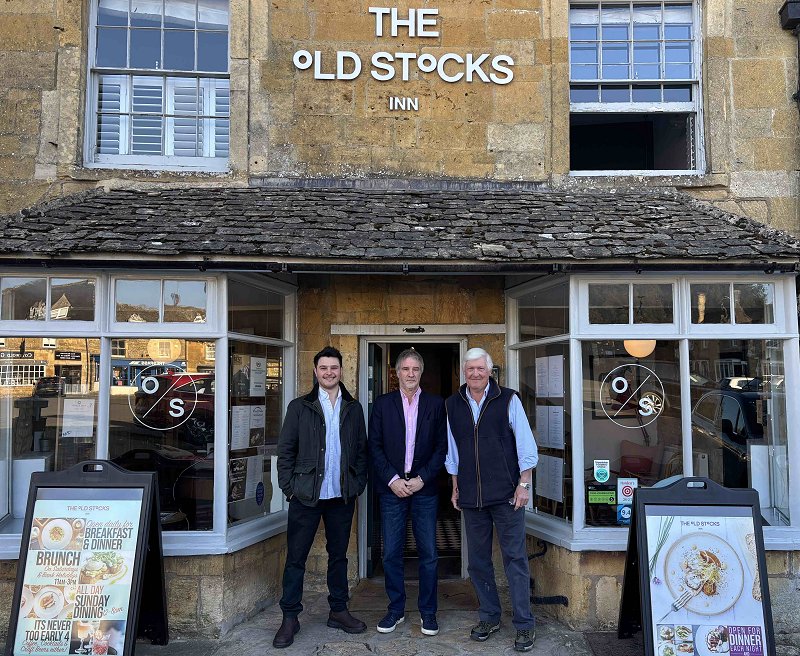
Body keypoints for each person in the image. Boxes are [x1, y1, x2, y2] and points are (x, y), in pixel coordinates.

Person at [273, 346, 368, 648]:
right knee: (296, 558)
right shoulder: (300, 407)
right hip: (306, 496)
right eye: (323, 368)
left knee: (338, 557)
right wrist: (289, 488)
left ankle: (338, 611)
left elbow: (362, 451)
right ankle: (290, 617)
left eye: (334, 368)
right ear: (315, 371)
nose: (329, 372)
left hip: (341, 496)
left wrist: (358, 483)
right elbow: (285, 451)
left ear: (342, 371)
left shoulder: (353, 407)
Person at [445, 347, 538, 653]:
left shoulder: (508, 399)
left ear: (489, 371)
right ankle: (490, 616)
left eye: (480, 369)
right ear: (463, 371)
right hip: (472, 497)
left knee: (515, 560)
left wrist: (524, 485)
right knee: (478, 562)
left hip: (508, 494)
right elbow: (453, 452)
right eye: (469, 369)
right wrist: (456, 486)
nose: (475, 374)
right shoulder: (452, 404)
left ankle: (524, 624)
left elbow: (526, 446)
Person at [368, 349, 447, 636]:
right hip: (392, 490)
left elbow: (442, 447)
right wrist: (392, 479)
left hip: (424, 490)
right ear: (397, 372)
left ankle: (428, 612)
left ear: (421, 372)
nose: (410, 374)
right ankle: (395, 609)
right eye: (405, 369)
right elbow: (373, 446)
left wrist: (422, 478)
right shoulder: (383, 404)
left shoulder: (436, 404)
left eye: (415, 369)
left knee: (428, 552)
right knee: (391, 552)